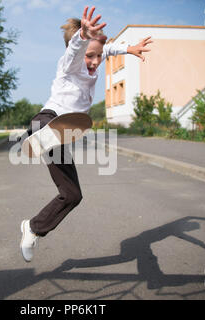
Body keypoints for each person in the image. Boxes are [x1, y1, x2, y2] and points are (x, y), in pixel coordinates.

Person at [19, 6, 153, 262]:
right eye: (89, 56)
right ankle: (35, 135)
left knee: (72, 195)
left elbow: (107, 48)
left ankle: (33, 228)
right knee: (41, 123)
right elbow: (76, 50)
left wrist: (129, 49)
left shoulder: (98, 55)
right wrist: (83, 36)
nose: (94, 62)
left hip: (63, 133)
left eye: (97, 57)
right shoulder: (68, 64)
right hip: (52, 118)